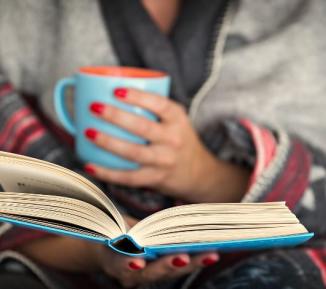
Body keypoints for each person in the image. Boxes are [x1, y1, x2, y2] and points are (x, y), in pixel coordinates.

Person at [0, 0, 326, 288]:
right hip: (58, 261)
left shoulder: (307, 18)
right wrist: (94, 247)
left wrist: (203, 174)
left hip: (268, 258)